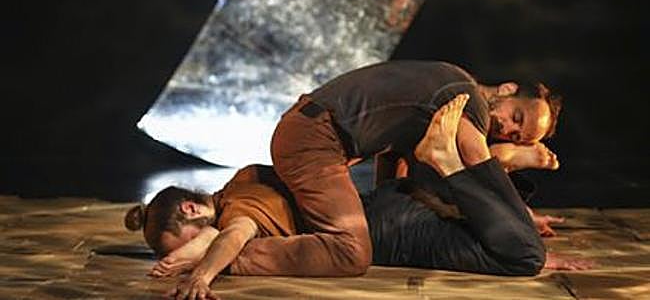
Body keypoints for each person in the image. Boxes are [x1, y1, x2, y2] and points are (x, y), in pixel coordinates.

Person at [124, 95, 588, 300]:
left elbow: (232, 237)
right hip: (384, 205)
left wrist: (203, 271)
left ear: (191, 209)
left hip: (388, 232)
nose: (198, 247)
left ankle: (479, 164)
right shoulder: (246, 178)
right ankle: (497, 166)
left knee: (521, 255)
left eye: (189, 241)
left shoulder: (238, 211)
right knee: (518, 244)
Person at [220, 60, 561, 278]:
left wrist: (392, 203)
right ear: (507, 90)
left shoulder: (448, 89)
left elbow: (394, 156)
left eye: (515, 136)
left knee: (366, 224)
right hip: (315, 137)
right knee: (351, 251)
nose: (507, 128)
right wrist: (508, 164)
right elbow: (475, 159)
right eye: (516, 116)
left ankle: (240, 230)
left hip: (311, 133)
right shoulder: (468, 98)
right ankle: (234, 258)